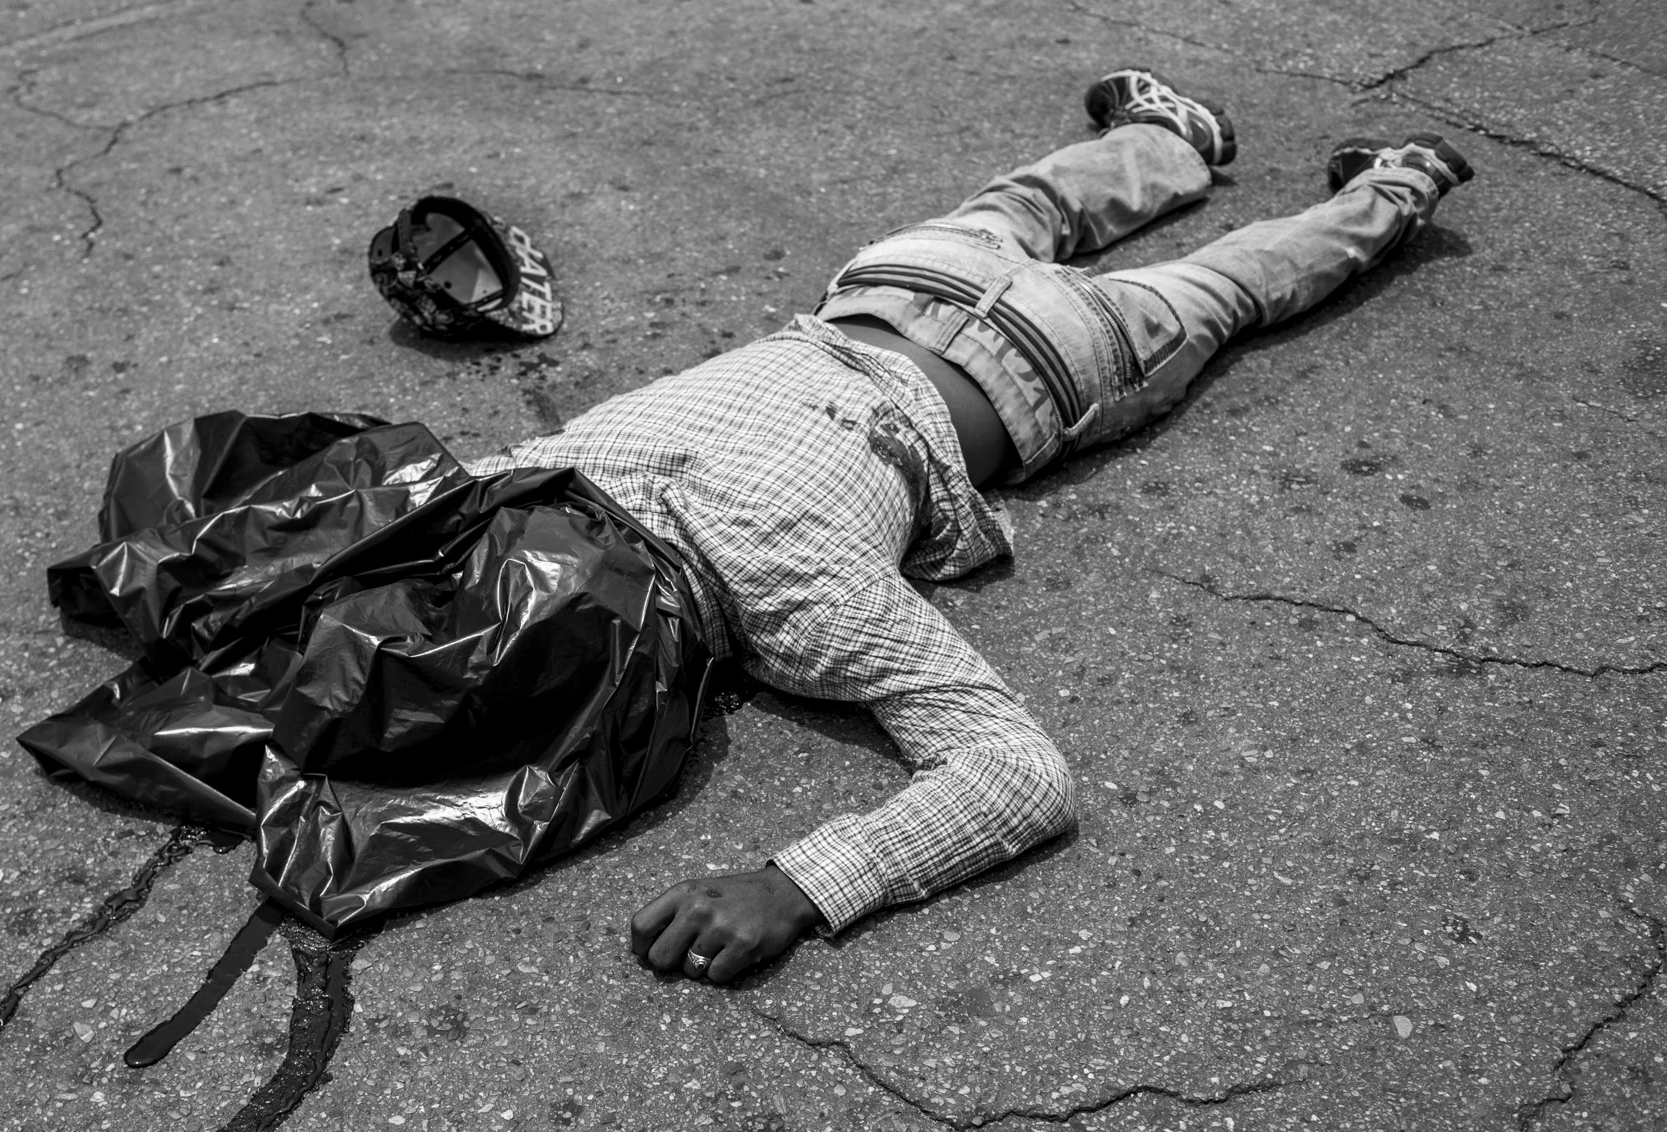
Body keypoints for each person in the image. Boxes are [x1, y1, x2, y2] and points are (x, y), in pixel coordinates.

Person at [455, 69, 1476, 985]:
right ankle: (1185, 144)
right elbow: (1019, 779)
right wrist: (800, 886)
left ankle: (1381, 180)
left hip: (1033, 351)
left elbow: (1014, 777)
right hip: (921, 300)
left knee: (1224, 281)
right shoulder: (549, 482)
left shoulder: (784, 599)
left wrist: (798, 886)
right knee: (1038, 218)